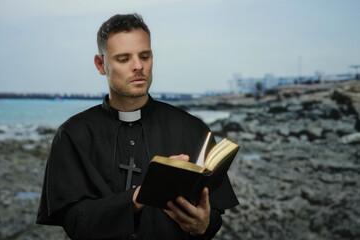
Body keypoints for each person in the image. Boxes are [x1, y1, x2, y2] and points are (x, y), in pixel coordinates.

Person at [36, 13, 238, 240]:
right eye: (123, 59)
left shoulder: (192, 129)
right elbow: (74, 221)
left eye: (145, 56)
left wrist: (203, 225)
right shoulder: (73, 135)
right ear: (101, 64)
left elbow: (214, 216)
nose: (138, 66)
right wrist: (136, 199)